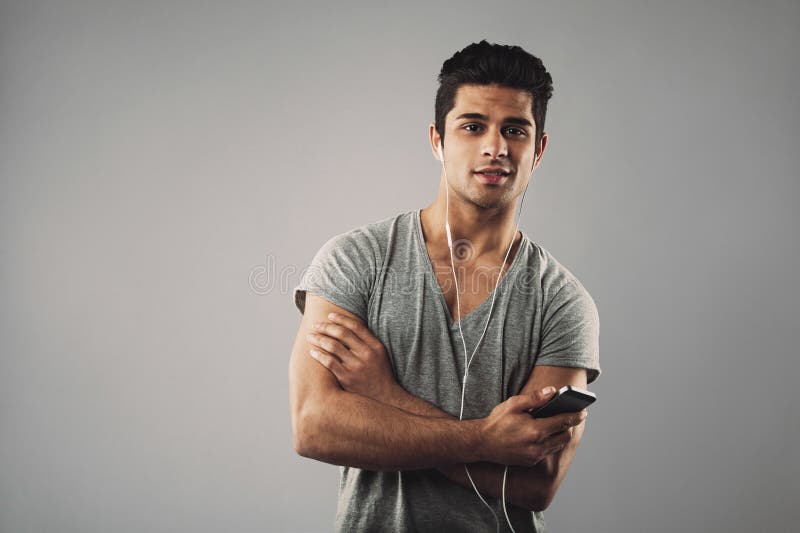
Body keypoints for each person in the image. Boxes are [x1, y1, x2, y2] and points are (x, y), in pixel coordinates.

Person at [289, 40, 601, 533]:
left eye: (515, 130)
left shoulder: (562, 302)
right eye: (473, 126)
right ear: (437, 140)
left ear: (538, 149)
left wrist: (384, 395)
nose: (495, 147)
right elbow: (315, 425)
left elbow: (535, 485)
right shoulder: (355, 260)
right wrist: (485, 440)